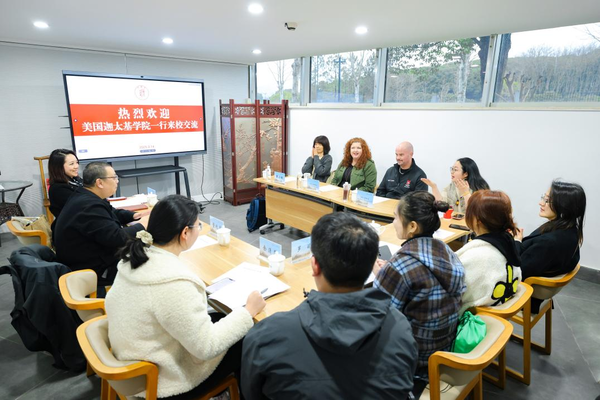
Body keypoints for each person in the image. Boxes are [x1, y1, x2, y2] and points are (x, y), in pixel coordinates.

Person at [241, 213, 418, 400]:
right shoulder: (400, 329)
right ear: (370, 268)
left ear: (314, 265)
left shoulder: (267, 336)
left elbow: (251, 393)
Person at [106, 195, 265, 399]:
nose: (199, 229)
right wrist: (248, 311)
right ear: (185, 233)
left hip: (137, 360)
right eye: (198, 225)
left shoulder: (135, 258)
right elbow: (207, 347)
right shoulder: (173, 283)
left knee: (220, 318)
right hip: (164, 384)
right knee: (250, 338)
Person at [373, 191, 465, 379]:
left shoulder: (400, 267)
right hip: (442, 349)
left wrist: (381, 273)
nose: (393, 223)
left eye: (396, 218)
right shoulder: (446, 251)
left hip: (412, 360)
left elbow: (376, 316)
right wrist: (387, 272)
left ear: (412, 226)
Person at [54, 162, 148, 290]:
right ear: (99, 182)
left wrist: (135, 216)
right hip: (94, 271)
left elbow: (111, 212)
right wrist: (144, 224)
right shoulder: (89, 206)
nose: (117, 181)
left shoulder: (86, 195)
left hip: (91, 260)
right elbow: (117, 238)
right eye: (114, 178)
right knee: (148, 258)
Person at [514, 180, 586, 313]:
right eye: (544, 198)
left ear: (564, 207)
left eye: (547, 200)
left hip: (523, 296)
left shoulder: (549, 242)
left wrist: (517, 242)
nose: (541, 203)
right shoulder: (571, 230)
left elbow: (518, 271)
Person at [455, 190, 522, 315]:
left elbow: (455, 294)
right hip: (498, 305)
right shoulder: (507, 241)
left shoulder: (478, 256)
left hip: (474, 317)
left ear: (478, 220)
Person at [421, 157, 489, 214]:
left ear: (465, 174)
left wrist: (466, 193)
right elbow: (441, 204)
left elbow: (475, 212)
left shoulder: (480, 188)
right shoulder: (451, 186)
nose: (452, 172)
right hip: (455, 223)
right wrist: (434, 187)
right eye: (452, 169)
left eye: (455, 170)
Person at [48, 149, 83, 229]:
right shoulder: (58, 189)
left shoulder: (75, 179)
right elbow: (81, 208)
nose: (76, 166)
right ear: (59, 167)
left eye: (77, 162)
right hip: (70, 229)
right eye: (71, 164)